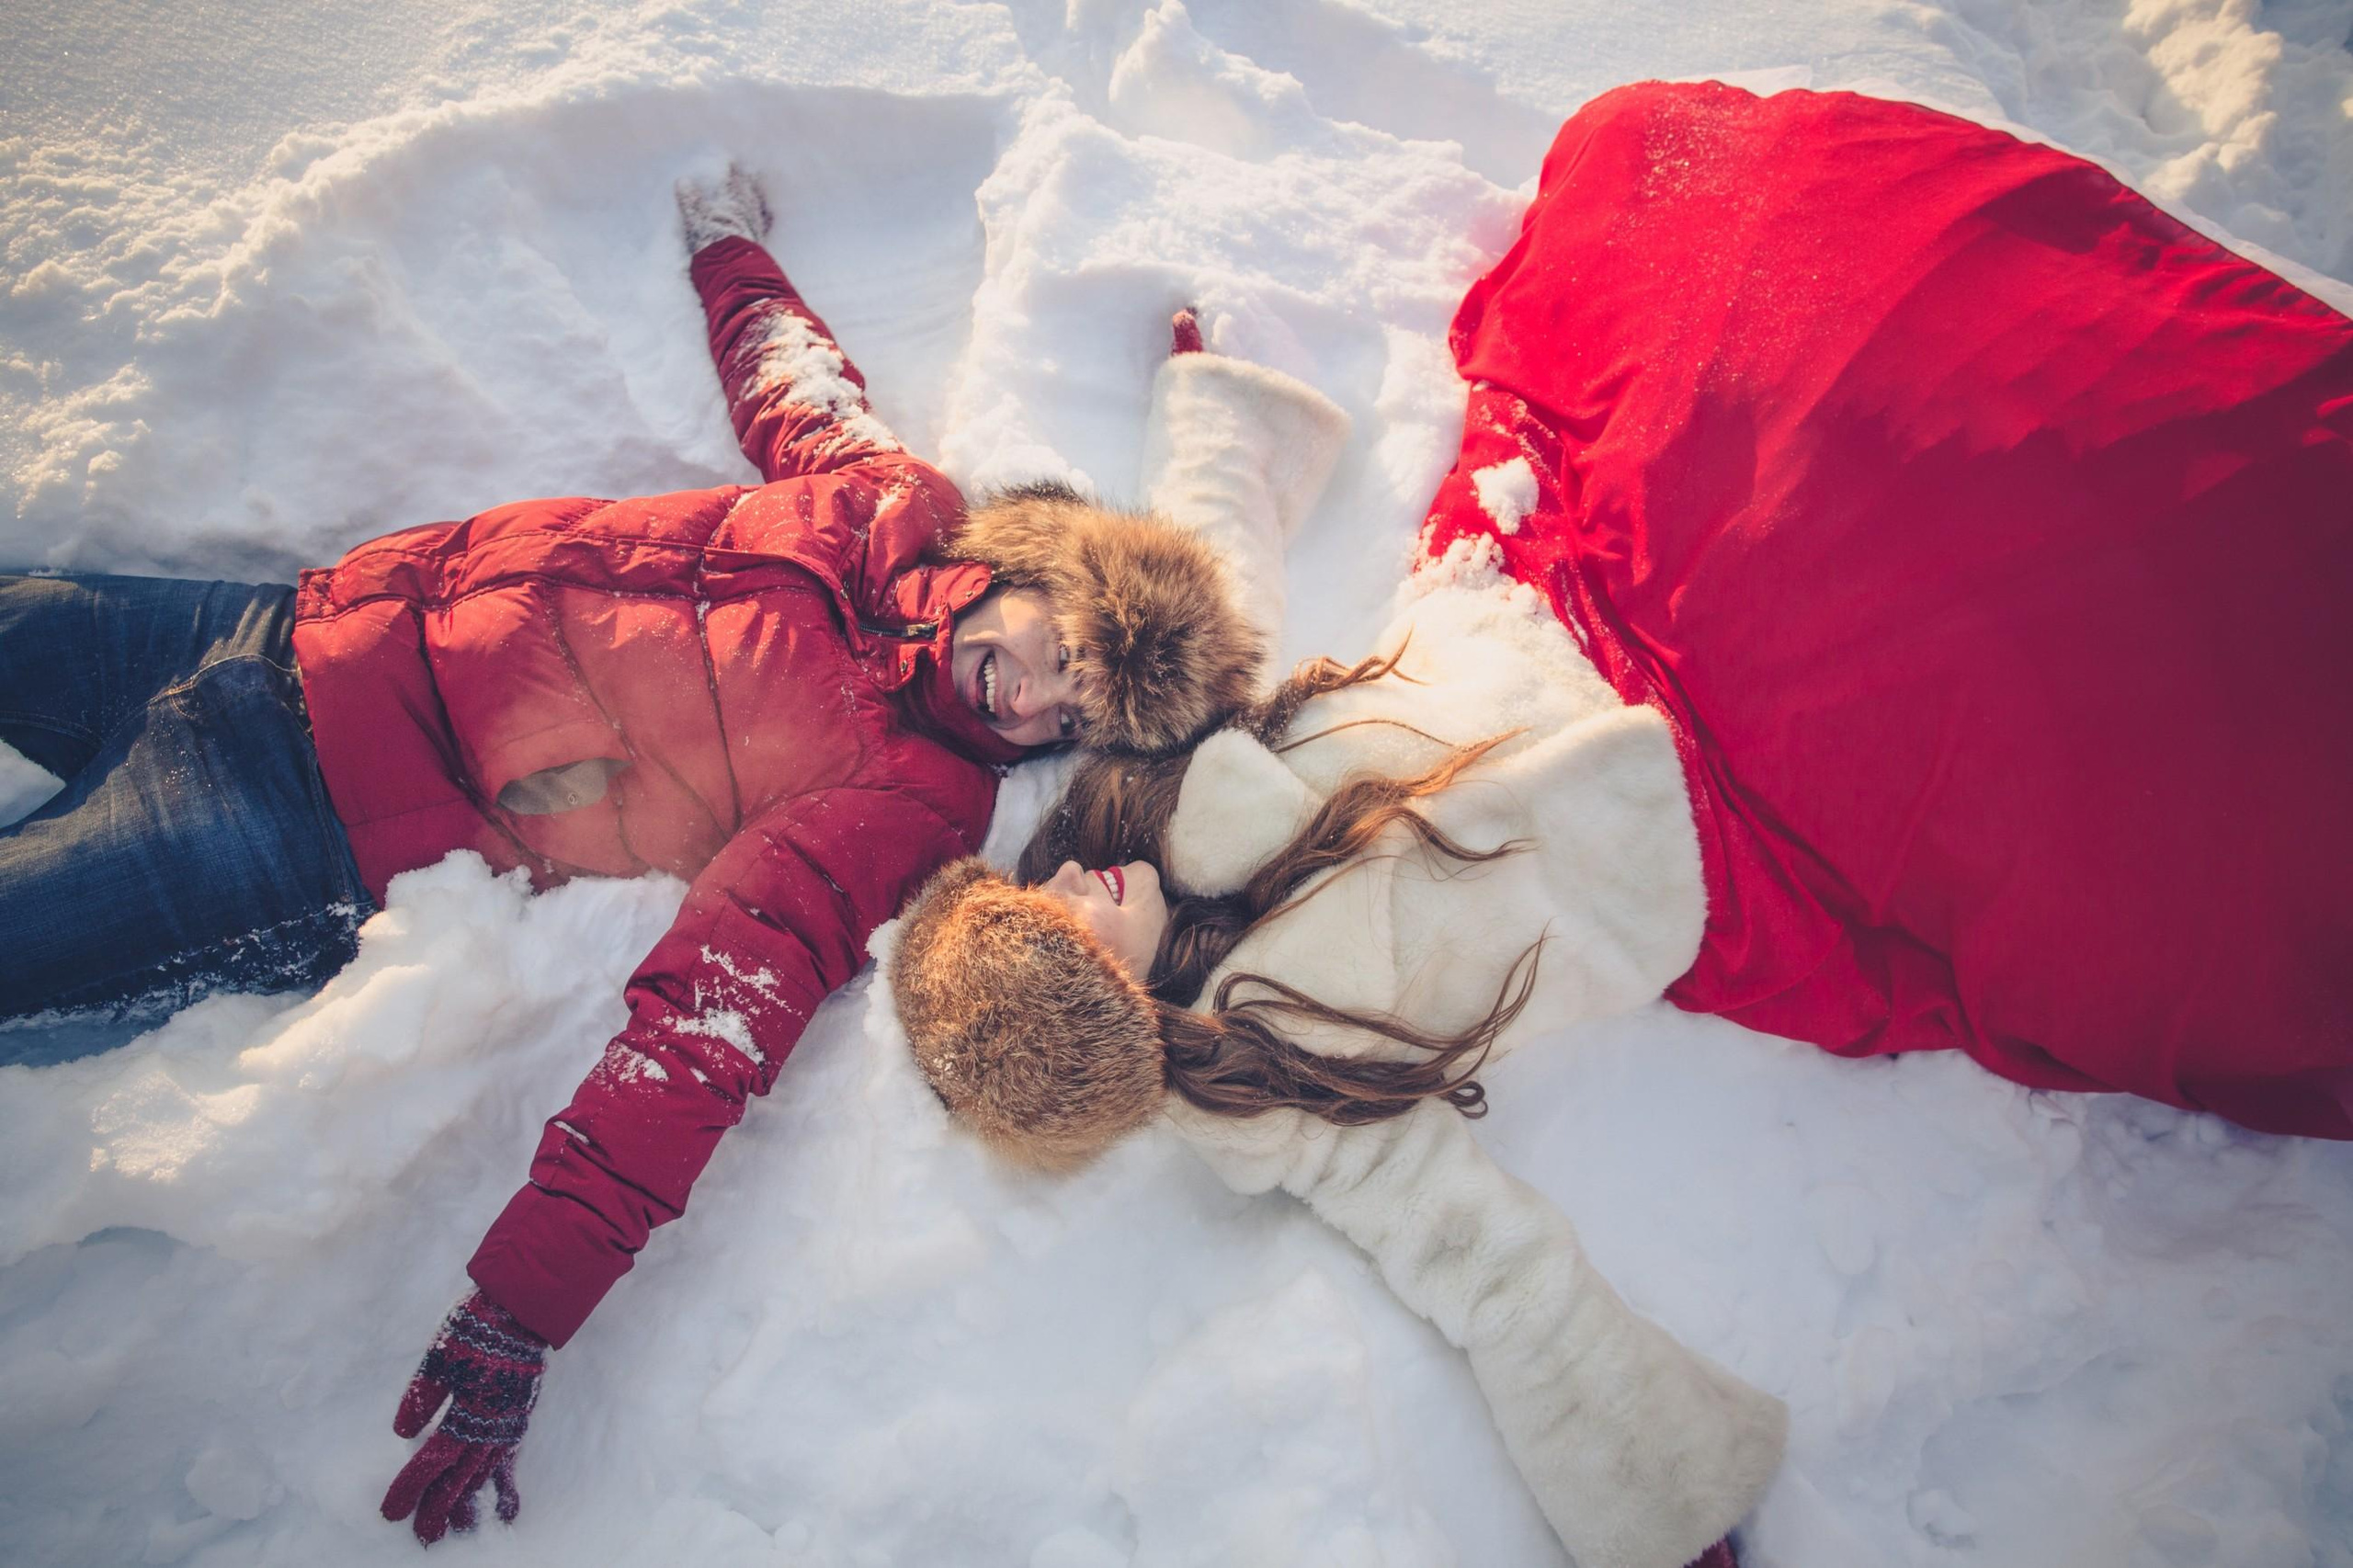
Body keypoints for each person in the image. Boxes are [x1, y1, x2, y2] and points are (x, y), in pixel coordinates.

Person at [0, 166, 1273, 1544]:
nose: (1034, 705)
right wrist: (728, 251)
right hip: (275, 626)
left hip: (287, 820)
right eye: (1064, 656)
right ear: (1044, 572)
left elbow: (709, 1031)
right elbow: (793, 382)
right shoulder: (888, 503)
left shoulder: (913, 799)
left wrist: (523, 1309)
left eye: (1073, 717)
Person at [888, 327, 1786, 1568]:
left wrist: (1215, 418)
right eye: (1064, 926)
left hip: (1535, 618)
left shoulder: (1155, 801)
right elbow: (1473, 1249)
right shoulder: (1262, 1071)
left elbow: (1216, 593)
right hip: (1690, 818)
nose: (1069, 883)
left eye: (1032, 893)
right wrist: (1657, 1502)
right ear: (1107, 1001)